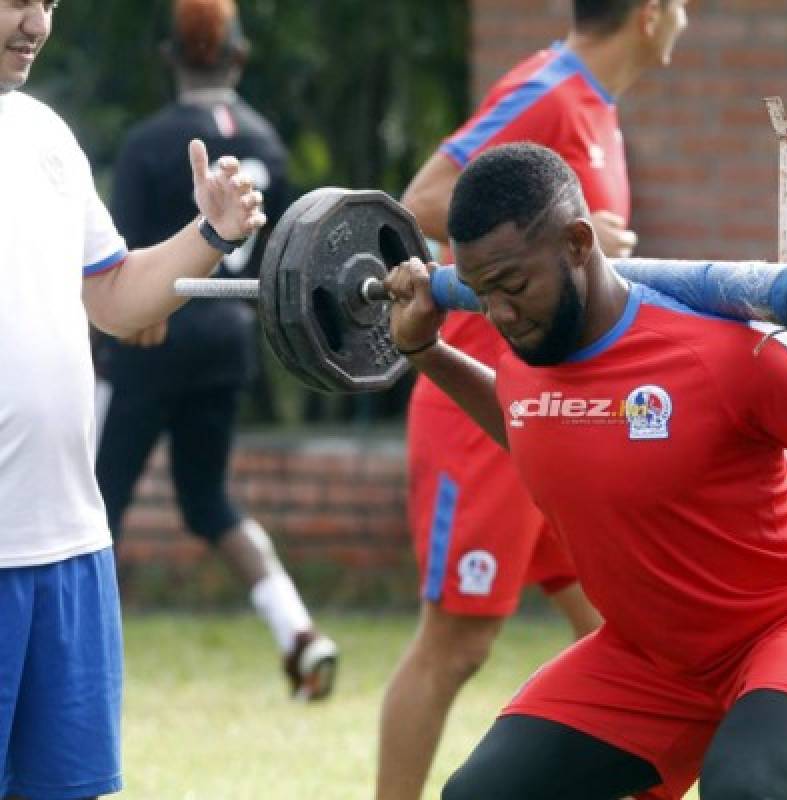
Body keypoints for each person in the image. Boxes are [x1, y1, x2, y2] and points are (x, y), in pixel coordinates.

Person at [385, 142, 787, 800]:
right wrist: (423, 348)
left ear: (578, 243)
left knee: (748, 790)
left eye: (515, 287)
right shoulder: (529, 351)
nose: (498, 314)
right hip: (659, 658)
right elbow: (531, 427)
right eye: (481, 292)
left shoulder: (724, 354)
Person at [377, 3, 688, 797]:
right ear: (650, 15)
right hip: (480, 413)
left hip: (559, 419)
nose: (687, 17)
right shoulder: (546, 89)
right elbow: (424, 198)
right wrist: (564, 232)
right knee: (457, 644)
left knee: (631, 635)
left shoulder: (600, 109)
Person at [0, 0, 264, 795]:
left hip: (70, 548)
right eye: (18, 0)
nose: (38, 24)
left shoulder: (45, 136)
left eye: (49, 3)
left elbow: (112, 295)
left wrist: (210, 236)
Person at [92, 0, 338, 703]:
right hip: (229, 338)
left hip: (153, 336)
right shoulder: (269, 140)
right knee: (208, 502)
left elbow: (123, 266)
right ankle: (298, 631)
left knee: (91, 507)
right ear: (240, 55)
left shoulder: (148, 143)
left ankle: (77, 658)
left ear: (170, 58)